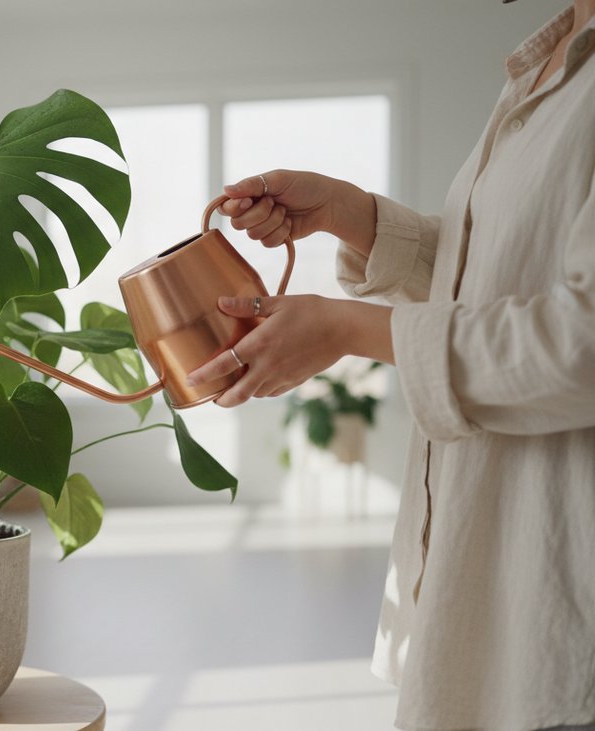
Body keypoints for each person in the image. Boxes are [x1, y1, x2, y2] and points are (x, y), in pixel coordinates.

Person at [185, 3, 595, 730]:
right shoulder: (545, 61)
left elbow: (582, 343)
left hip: (564, 607)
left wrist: (348, 328)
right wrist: (348, 213)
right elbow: (497, 275)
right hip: (494, 570)